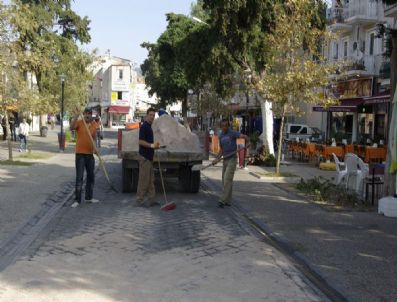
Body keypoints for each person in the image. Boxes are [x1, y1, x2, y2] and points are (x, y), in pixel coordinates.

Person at [213, 119, 249, 208]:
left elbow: (245, 137)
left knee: (227, 179)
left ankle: (222, 200)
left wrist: (248, 143)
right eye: (223, 126)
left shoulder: (233, 133)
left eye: (226, 125)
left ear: (228, 126)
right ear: (220, 127)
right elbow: (221, 150)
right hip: (225, 159)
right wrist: (216, 159)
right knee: (225, 181)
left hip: (232, 159)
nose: (224, 127)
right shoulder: (221, 136)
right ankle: (228, 201)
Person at [70, 108, 99, 208]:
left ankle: (88, 197)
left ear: (91, 115)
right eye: (86, 113)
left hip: (90, 154)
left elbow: (94, 138)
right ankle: (77, 200)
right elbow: (71, 128)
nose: (87, 115)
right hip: (80, 154)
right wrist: (76, 115)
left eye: (89, 114)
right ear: (84, 114)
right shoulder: (79, 122)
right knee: (79, 177)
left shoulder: (95, 125)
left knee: (91, 177)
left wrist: (96, 149)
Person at [136, 107, 161, 207]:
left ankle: (152, 200)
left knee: (151, 180)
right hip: (144, 158)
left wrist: (155, 147)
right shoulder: (144, 127)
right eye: (150, 115)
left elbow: (150, 143)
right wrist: (151, 146)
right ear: (146, 116)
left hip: (149, 158)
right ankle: (139, 200)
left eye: (153, 115)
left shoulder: (149, 127)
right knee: (143, 180)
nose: (152, 117)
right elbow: (140, 141)